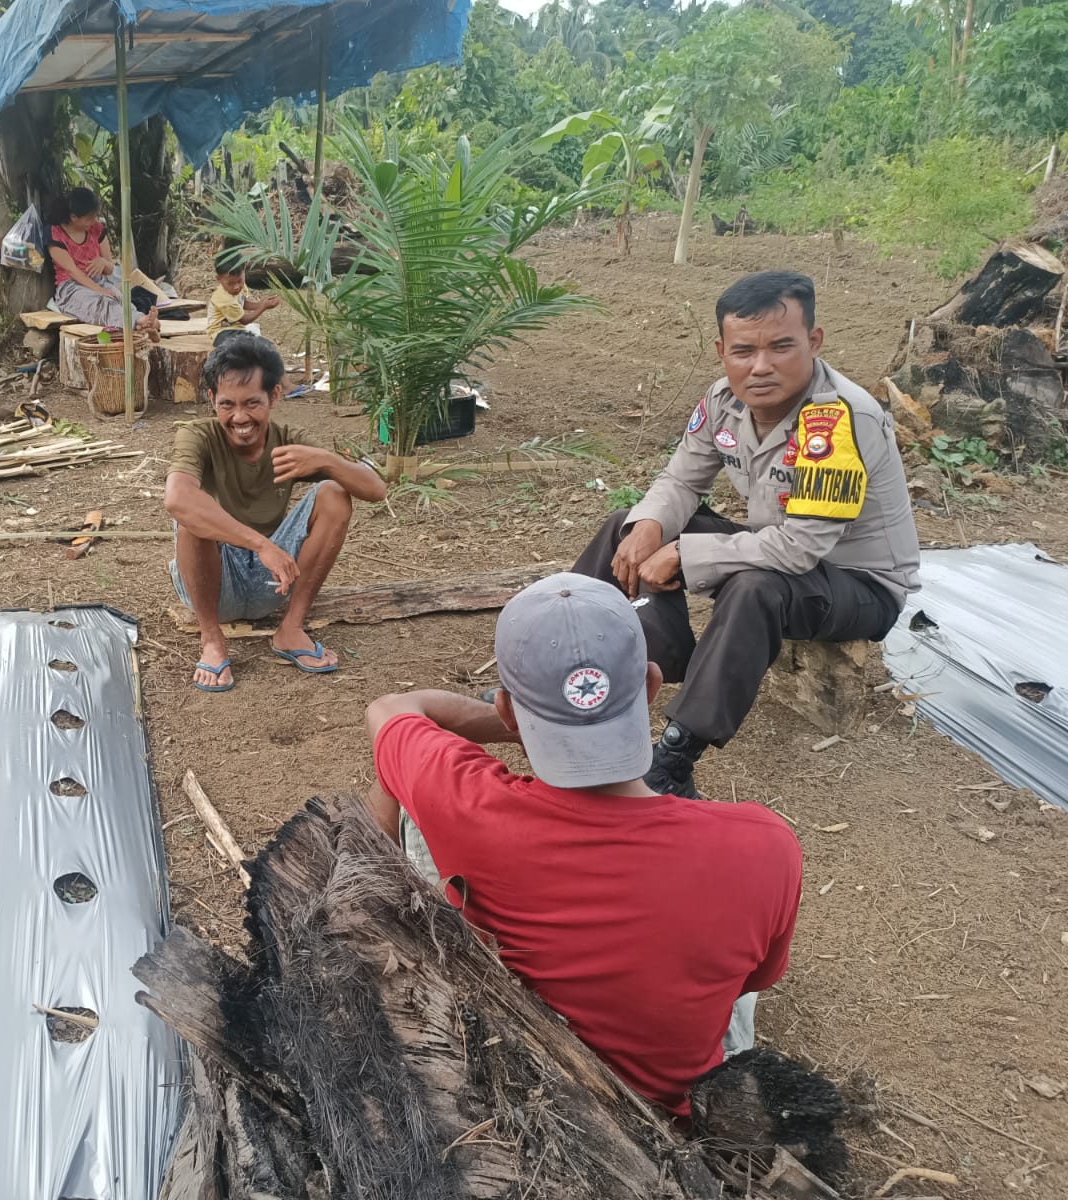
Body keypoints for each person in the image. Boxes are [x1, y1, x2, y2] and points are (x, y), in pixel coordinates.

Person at [365, 573, 802, 1118]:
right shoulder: (766, 845)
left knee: (403, 780)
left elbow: (391, 709)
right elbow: (755, 979)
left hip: (531, 1092)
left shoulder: (467, 803)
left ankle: (371, 908)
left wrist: (535, 723)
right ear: (650, 686)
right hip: (671, 1119)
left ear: (506, 710)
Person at [570, 270, 920, 798]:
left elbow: (799, 549)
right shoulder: (723, 402)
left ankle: (675, 758)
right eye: (743, 351)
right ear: (722, 351)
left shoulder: (838, 420)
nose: (760, 366)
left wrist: (683, 552)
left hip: (859, 584)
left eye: (781, 347)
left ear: (814, 341)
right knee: (627, 524)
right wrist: (650, 526)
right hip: (780, 552)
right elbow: (681, 482)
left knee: (756, 586)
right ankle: (581, 667)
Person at [164, 334, 386, 692]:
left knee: (334, 493)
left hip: (274, 580)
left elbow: (376, 491)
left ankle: (291, 628)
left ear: (275, 396)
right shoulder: (198, 435)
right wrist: (261, 545)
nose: (239, 417)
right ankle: (212, 639)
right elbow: (177, 499)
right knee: (191, 515)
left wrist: (327, 460)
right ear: (211, 398)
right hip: (215, 584)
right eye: (227, 404)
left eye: (252, 403)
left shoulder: (289, 441)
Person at [44, 187, 162, 340]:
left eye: (95, 217)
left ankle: (142, 323)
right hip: (72, 288)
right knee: (103, 303)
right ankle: (142, 322)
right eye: (89, 218)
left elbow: (110, 268)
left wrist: (103, 263)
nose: (93, 221)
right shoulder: (55, 234)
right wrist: (101, 291)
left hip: (101, 281)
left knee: (121, 300)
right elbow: (73, 271)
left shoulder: (97, 229)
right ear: (74, 217)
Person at [208, 253, 280, 345]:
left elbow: (243, 302)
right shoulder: (224, 299)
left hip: (236, 329)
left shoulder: (240, 287)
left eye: (240, 281)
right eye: (230, 283)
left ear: (244, 272)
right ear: (219, 279)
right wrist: (263, 307)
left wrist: (261, 303)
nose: (236, 287)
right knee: (247, 345)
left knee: (258, 344)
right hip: (220, 333)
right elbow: (244, 320)